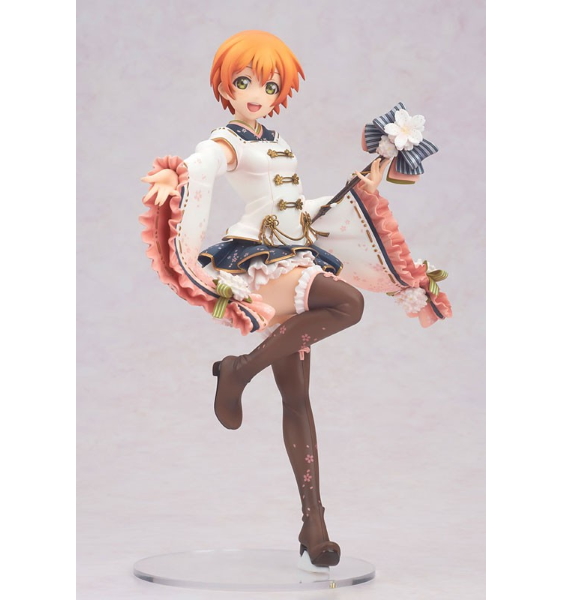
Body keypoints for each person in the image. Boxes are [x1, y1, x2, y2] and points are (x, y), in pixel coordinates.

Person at [141, 30, 451, 570]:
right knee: (348, 303)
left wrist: (363, 184)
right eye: (245, 82)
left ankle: (314, 524)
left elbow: (293, 204)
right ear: (226, 86)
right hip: (265, 264)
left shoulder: (277, 142)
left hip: (296, 253)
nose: (257, 94)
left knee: (298, 399)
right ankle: (239, 370)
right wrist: (178, 175)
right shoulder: (228, 141)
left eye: (269, 85)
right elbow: (205, 163)